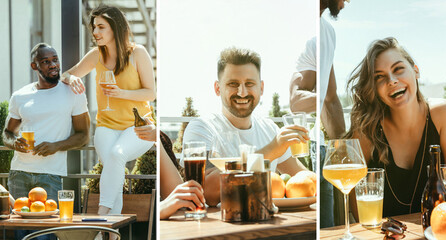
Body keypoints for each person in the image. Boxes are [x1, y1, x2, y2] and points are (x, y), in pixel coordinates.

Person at [346, 37, 446, 217]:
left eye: (398, 69)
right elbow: (359, 213)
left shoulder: (442, 113)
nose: (392, 80)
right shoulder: (366, 128)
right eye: (380, 77)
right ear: (374, 88)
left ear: (416, 71)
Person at [183, 47, 314, 206]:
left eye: (250, 83)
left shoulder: (270, 128)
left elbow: (303, 178)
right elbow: (206, 193)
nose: (242, 92)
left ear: (261, 88)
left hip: (271, 223)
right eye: (233, 84)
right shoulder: (202, 128)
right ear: (218, 88)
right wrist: (272, 150)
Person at [61, 5, 156, 216]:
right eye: (94, 27)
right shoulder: (96, 55)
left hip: (138, 127)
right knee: (115, 172)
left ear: (115, 27)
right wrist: (72, 77)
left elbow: (151, 93)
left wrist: (121, 93)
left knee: (116, 155)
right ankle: (110, 234)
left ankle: (100, 215)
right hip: (106, 127)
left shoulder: (138, 53)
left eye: (101, 27)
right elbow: (67, 74)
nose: (95, 32)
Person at [2, 43, 90, 239]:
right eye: (46, 61)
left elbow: (84, 135)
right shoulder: (20, 96)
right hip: (19, 174)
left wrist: (56, 146)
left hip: (50, 175)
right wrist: (14, 143)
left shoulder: (73, 92)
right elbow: (7, 132)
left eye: (55, 60)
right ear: (35, 66)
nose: (53, 65)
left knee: (44, 236)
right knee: (17, 234)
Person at [289, 0, 348, 228]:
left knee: (329, 228)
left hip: (321, 149)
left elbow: (331, 99)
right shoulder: (303, 27)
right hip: (295, 150)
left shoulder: (328, 32)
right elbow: (296, 100)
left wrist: (343, 149)